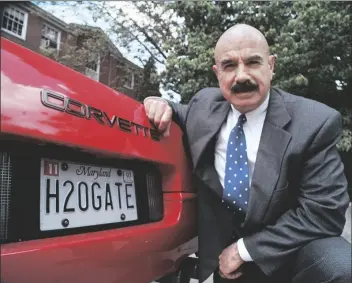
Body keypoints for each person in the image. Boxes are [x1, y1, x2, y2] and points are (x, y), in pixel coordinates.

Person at [143, 24, 351, 283]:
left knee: (342, 265)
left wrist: (246, 250)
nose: (241, 76)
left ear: (271, 66)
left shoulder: (314, 123)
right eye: (229, 66)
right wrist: (158, 103)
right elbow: (176, 109)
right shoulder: (203, 105)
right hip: (220, 263)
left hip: (287, 256)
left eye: (253, 62)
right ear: (217, 73)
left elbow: (325, 211)